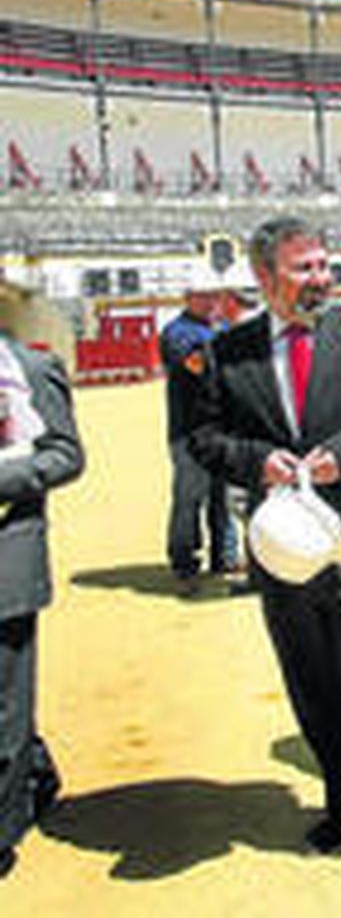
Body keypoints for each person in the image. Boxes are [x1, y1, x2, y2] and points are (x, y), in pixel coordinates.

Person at [191, 216, 341, 866]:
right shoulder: (228, 350)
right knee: (311, 679)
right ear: (265, 276)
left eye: (324, 264)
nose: (321, 278)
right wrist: (256, 460)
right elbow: (206, 438)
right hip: (283, 549)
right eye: (304, 268)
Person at [0, 329, 84, 880]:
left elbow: (64, 454)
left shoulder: (27, 368)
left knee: (4, 703)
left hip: (5, 557)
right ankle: (35, 771)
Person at [160, 283, 239, 592]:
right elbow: (198, 366)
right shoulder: (177, 332)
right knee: (190, 498)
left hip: (222, 429)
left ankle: (225, 556)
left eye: (214, 296)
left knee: (223, 497)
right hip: (189, 430)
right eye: (203, 297)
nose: (210, 302)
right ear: (188, 298)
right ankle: (184, 562)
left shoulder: (218, 328)